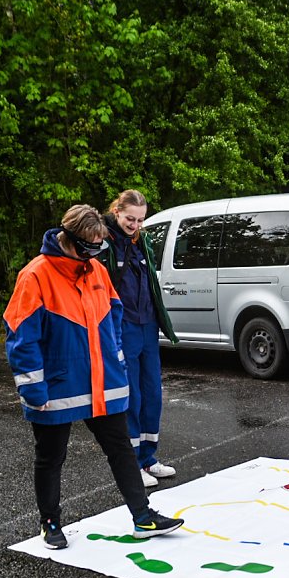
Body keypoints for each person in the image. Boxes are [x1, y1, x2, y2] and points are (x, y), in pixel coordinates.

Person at [3, 205, 184, 549]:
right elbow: (20, 338)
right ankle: (51, 523)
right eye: (89, 247)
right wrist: (33, 390)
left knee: (122, 451)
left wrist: (116, 356)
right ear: (68, 240)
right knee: (51, 457)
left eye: (99, 247)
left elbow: (115, 315)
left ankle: (143, 518)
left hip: (104, 385)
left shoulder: (96, 271)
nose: (94, 254)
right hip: (57, 388)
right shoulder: (35, 276)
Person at [101, 190, 178, 487]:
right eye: (130, 219)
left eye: (140, 220)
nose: (135, 224)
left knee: (152, 394)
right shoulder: (104, 242)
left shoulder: (142, 239)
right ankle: (132, 463)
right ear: (117, 212)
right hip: (123, 327)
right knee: (130, 395)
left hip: (148, 326)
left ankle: (149, 458)